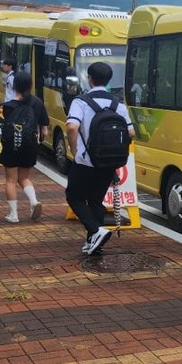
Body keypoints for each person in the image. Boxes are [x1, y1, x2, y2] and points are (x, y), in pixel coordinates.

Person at [66, 61, 135, 255]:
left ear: (89, 79)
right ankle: (93, 243)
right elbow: (130, 132)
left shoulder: (80, 102)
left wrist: (74, 149)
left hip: (85, 161)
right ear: (108, 80)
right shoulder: (117, 104)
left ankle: (96, 231)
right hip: (108, 162)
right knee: (95, 200)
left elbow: (72, 127)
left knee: (74, 196)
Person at [0, 71, 48, 222]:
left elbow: (7, 126)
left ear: (15, 85)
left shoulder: (9, 106)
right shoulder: (37, 103)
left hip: (12, 145)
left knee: (11, 180)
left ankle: (13, 215)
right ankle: (34, 201)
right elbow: (44, 129)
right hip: (30, 144)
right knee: (24, 177)